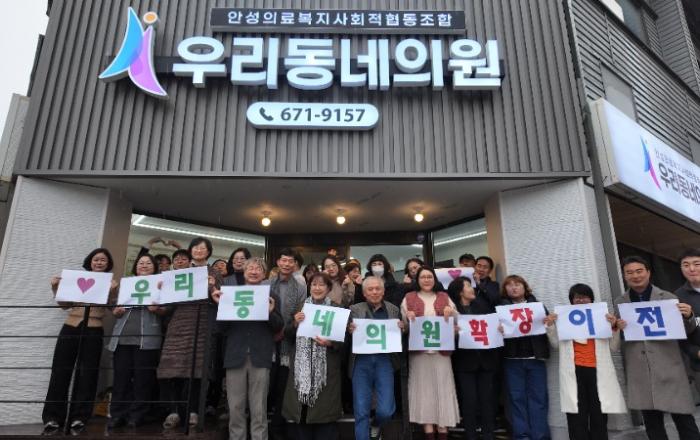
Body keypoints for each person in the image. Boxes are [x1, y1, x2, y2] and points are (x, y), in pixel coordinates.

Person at [615, 255, 700, 440]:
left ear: (648, 272)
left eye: (639, 271)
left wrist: (688, 316)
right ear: (624, 276)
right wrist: (617, 328)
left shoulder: (668, 297)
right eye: (630, 272)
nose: (635, 276)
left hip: (669, 367)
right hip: (640, 370)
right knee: (653, 424)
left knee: (684, 419)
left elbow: (684, 331)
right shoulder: (620, 302)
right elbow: (620, 337)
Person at [42, 248, 117, 435]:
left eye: (103, 260)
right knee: (60, 372)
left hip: (94, 328)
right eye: (96, 259)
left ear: (108, 264)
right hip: (70, 326)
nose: (99, 262)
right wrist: (55, 287)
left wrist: (112, 291)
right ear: (90, 262)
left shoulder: (111, 282)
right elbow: (64, 305)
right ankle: (52, 417)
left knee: (87, 374)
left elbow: (113, 308)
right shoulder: (77, 279)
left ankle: (80, 417)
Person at [212, 257, 284, 440]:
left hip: (261, 355)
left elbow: (278, 326)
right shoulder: (230, 294)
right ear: (243, 272)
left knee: (259, 406)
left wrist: (269, 313)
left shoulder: (271, 295)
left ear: (264, 274)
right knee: (235, 406)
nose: (253, 271)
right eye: (250, 268)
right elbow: (220, 329)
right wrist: (220, 306)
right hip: (235, 354)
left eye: (258, 268)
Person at [546, 284, 626, 440]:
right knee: (576, 414)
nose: (581, 300)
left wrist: (614, 328)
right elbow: (555, 344)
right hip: (574, 371)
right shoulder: (565, 319)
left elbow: (614, 347)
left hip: (597, 371)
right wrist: (550, 326)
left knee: (598, 413)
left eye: (585, 297)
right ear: (571, 301)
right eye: (577, 298)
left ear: (591, 299)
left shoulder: (601, 318)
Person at [158, 247, 219, 429]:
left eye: (203, 247)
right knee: (172, 370)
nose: (180, 261)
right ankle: (175, 411)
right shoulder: (176, 276)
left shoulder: (211, 273)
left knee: (196, 371)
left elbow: (218, 298)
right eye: (196, 247)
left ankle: (193, 410)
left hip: (201, 325)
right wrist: (161, 293)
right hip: (177, 326)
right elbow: (168, 306)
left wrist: (212, 286)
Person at [108, 254, 167, 429]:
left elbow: (167, 309)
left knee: (143, 380)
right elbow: (113, 306)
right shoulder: (126, 284)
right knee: (121, 379)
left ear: (155, 267)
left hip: (147, 340)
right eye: (141, 263)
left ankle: (137, 415)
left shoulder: (161, 285)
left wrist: (158, 309)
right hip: (122, 339)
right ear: (135, 266)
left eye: (149, 263)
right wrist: (115, 310)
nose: (144, 265)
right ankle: (118, 415)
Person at [283, 272, 344, 439]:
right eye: (314, 284)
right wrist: (295, 323)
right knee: (301, 416)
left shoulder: (337, 309)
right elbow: (287, 334)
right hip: (301, 371)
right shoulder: (301, 307)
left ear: (329, 288)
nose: (317, 288)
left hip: (325, 371)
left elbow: (345, 341)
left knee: (324, 418)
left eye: (321, 285)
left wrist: (331, 343)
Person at [401, 266, 460, 440]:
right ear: (417, 280)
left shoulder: (444, 297)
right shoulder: (408, 297)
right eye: (423, 277)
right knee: (423, 391)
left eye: (429, 277)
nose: (426, 280)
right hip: (419, 353)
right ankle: (428, 432)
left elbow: (458, 321)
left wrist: (451, 313)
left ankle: (443, 430)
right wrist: (408, 318)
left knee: (443, 388)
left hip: (441, 353)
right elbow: (404, 327)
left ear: (434, 279)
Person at [348, 276, 405, 440]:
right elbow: (344, 333)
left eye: (377, 288)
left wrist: (403, 328)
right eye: (370, 289)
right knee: (361, 410)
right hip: (361, 362)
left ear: (383, 291)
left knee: (386, 410)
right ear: (364, 293)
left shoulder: (393, 309)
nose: (374, 292)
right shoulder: (354, 309)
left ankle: (376, 424)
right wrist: (348, 329)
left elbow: (399, 335)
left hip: (384, 361)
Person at [448, 276, 500, 440]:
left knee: (487, 400)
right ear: (460, 291)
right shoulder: (452, 311)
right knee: (469, 401)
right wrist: (453, 332)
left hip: (486, 361)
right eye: (468, 286)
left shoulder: (483, 306)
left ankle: (488, 434)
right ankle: (470, 435)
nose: (472, 289)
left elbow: (493, 327)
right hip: (464, 362)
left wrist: (499, 328)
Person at [499, 275, 550, 440]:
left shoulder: (538, 306)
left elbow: (548, 329)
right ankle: (522, 436)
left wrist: (549, 322)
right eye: (509, 285)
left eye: (517, 284)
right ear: (505, 290)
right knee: (516, 399)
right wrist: (498, 329)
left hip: (535, 358)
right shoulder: (500, 309)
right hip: (511, 360)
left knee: (539, 398)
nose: (514, 288)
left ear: (525, 287)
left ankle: (540, 436)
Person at [270, 248, 309, 439]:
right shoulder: (267, 283)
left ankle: (278, 430)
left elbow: (300, 314)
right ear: (278, 262)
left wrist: (286, 330)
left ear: (295, 265)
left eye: (290, 261)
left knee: (283, 388)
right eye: (283, 260)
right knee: (266, 386)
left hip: (288, 342)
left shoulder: (301, 287)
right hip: (267, 341)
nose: (286, 264)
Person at [675, 248, 700, 394]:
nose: (691, 269)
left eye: (697, 264)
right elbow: (679, 335)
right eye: (686, 265)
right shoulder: (677, 297)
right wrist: (695, 352)